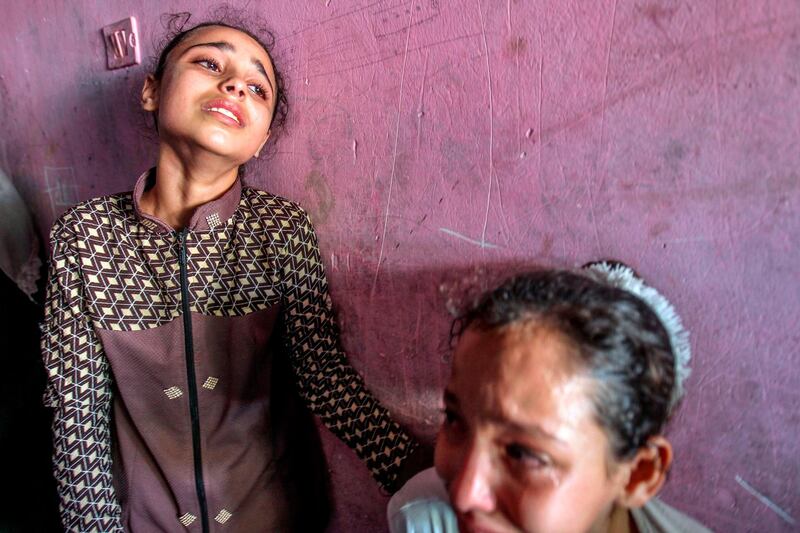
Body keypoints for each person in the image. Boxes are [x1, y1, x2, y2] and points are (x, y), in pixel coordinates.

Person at [42, 12, 425, 532]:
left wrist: (417, 473)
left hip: (276, 516)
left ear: (262, 139)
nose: (233, 86)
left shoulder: (280, 230)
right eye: (208, 62)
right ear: (151, 91)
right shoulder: (84, 238)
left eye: (257, 88)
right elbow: (76, 422)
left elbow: (323, 377)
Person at [388, 263, 711, 533]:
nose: (463, 494)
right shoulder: (424, 517)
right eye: (455, 420)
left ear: (638, 475)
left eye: (523, 453)